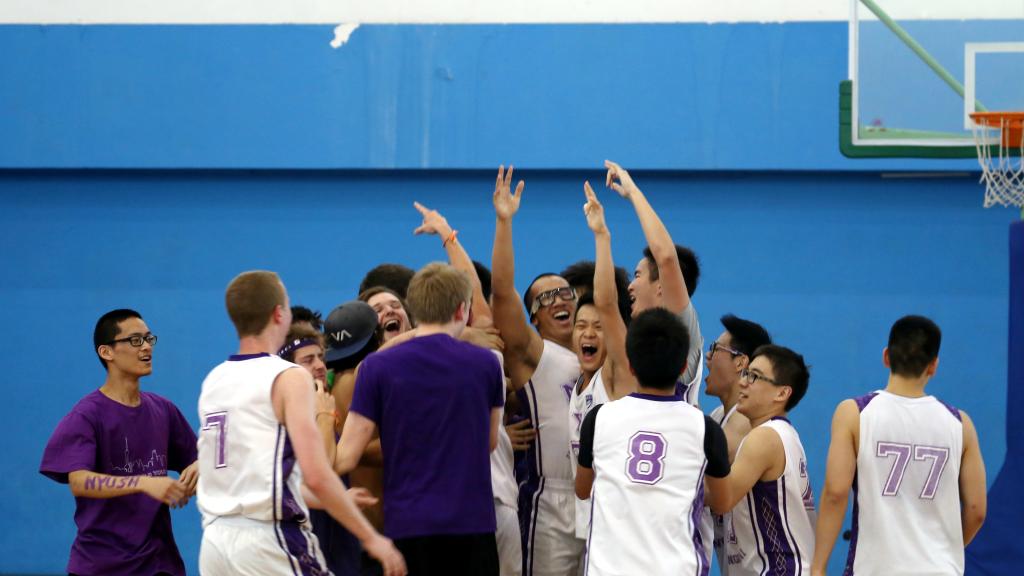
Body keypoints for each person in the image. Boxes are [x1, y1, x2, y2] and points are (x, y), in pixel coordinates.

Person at [196, 270, 405, 576]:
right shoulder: (288, 377)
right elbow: (317, 472)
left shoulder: (214, 380)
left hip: (215, 543)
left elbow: (255, 479)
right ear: (279, 313)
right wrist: (372, 538)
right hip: (268, 540)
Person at [337, 262, 504, 575]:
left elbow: (345, 457)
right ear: (461, 310)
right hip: (473, 524)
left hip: (408, 525)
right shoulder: (486, 363)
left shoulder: (376, 368)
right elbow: (489, 442)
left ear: (413, 308)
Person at [811, 315, 987, 576]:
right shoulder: (961, 423)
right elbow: (976, 510)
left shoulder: (855, 413)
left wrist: (818, 567)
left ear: (886, 356)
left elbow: (836, 493)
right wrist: (943, 551)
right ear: (933, 366)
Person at [40, 309, 198, 576]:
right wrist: (144, 482)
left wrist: (201, 465)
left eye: (149, 339)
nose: (146, 346)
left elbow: (200, 456)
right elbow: (78, 481)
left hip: (161, 564)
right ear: (107, 352)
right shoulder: (87, 415)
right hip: (103, 566)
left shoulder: (163, 410)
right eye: (135, 340)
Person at [575, 307, 730, 576]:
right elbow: (723, 502)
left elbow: (582, 489)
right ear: (683, 366)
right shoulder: (706, 428)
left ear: (631, 364)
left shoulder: (598, 418)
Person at [412, 201, 522, 576]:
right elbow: (471, 293)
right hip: (481, 504)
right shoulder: (483, 353)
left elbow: (471, 292)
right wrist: (446, 233)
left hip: (467, 503)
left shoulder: (406, 360)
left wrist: (447, 233)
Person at [490, 165, 583, 575]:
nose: (559, 299)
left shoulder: (605, 353)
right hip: (550, 498)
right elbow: (502, 292)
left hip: (597, 498)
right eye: (547, 297)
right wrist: (504, 222)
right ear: (533, 316)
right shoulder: (535, 353)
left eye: (565, 291)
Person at [567, 182, 641, 547]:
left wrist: (601, 236)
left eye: (598, 328)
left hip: (619, 527)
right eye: (581, 326)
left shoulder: (617, 372)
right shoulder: (578, 380)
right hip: (587, 521)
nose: (588, 334)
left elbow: (608, 303)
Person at [709, 344, 815, 576]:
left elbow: (721, 499)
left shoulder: (764, 437)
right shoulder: (785, 435)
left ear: (781, 393)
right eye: (746, 373)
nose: (742, 382)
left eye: (755, 376)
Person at [605, 160, 705, 405]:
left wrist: (633, 193)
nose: (630, 285)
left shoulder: (680, 327)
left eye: (638, 275)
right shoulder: (641, 337)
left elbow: (666, 258)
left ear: (661, 287)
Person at [700, 314, 772, 571]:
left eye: (715, 349)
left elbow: (700, 480)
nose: (708, 357)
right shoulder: (719, 417)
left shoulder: (746, 421)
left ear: (740, 361)